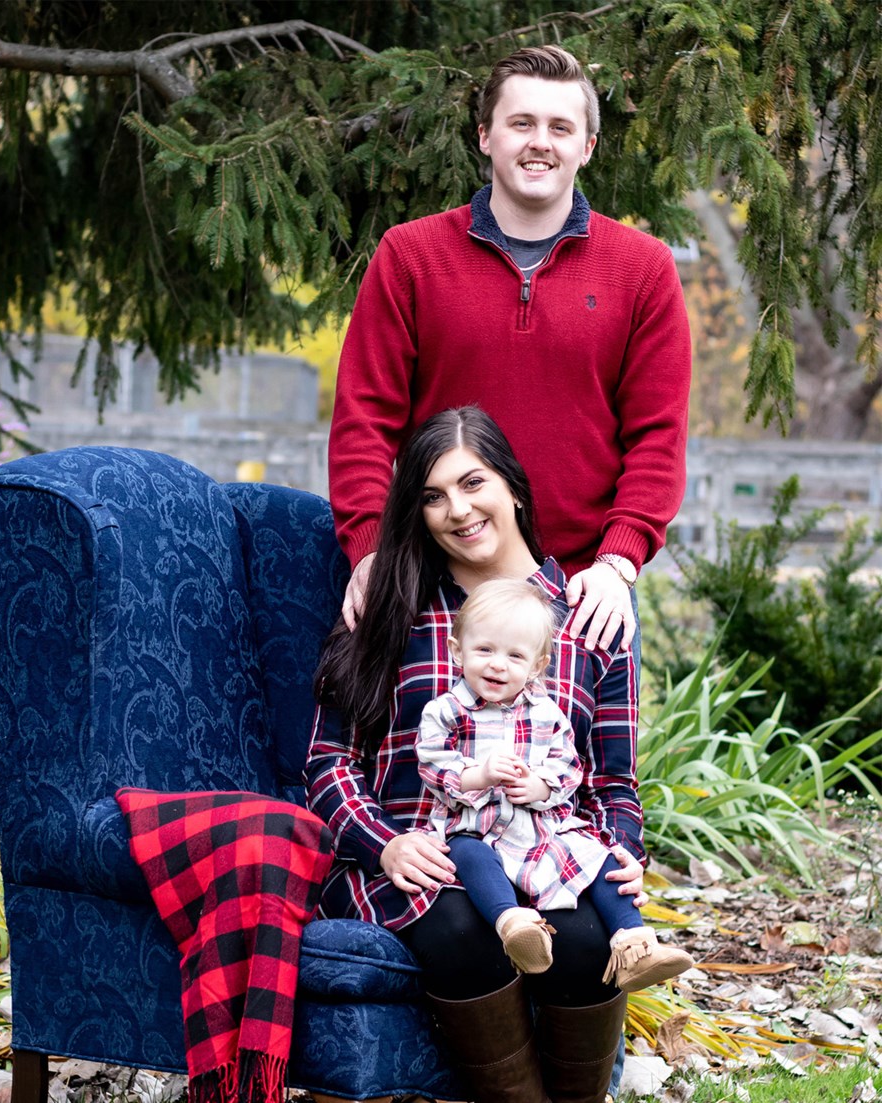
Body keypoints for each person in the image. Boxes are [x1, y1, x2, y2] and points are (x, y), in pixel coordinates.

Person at [306, 406, 658, 1103]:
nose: (456, 510)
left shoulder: (588, 617)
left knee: (588, 938)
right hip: (420, 859)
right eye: (432, 495)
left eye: (473, 483)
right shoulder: (390, 604)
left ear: (515, 488)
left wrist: (624, 852)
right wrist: (385, 845)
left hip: (544, 853)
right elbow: (327, 761)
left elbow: (613, 780)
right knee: (459, 920)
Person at [328, 44, 691, 659]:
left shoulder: (643, 269)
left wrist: (618, 562)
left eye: (560, 127)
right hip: (431, 584)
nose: (539, 142)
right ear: (486, 137)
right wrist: (369, 552)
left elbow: (658, 436)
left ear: (587, 147)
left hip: (583, 590)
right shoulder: (410, 257)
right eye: (521, 123)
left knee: (585, 760)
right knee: (413, 756)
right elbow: (364, 419)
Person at [416, 577, 693, 989]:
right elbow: (433, 766)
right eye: (484, 649)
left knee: (600, 859)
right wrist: (482, 775)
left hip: (540, 829)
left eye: (514, 656)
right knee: (469, 857)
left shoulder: (546, 714)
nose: (497, 664)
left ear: (537, 666)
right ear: (458, 651)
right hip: (475, 824)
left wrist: (541, 787)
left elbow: (568, 766)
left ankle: (633, 943)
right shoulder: (445, 712)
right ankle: (512, 923)